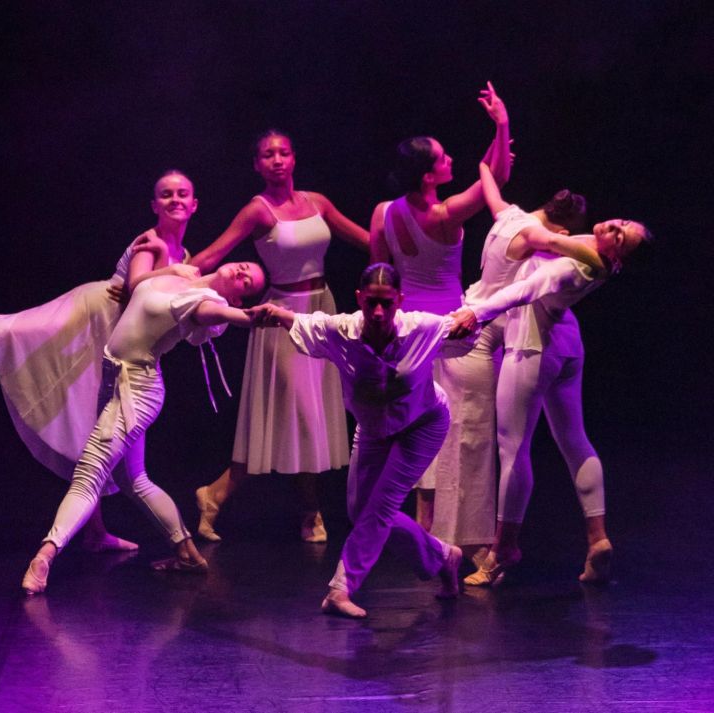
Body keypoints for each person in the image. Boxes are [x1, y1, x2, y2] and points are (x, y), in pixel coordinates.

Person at [0, 171, 198, 552]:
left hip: (118, 338)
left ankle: (95, 532)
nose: (175, 200)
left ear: (194, 204)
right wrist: (171, 266)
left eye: (182, 194)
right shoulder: (151, 242)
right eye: (166, 194)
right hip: (94, 317)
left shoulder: (185, 254)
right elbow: (138, 286)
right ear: (154, 204)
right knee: (9, 331)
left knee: (92, 426)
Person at [450, 165, 651, 586]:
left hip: (534, 343)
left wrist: (476, 312)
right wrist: (489, 163)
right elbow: (505, 208)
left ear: (617, 257)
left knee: (513, 448)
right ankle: (597, 538)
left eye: (620, 237)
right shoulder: (589, 248)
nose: (614, 227)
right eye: (620, 223)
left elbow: (526, 288)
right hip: (567, 342)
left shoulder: (578, 266)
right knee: (575, 439)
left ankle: (503, 550)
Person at [21, 260, 267, 595]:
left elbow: (221, 315)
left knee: (89, 473)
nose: (242, 273)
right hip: (114, 381)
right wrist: (167, 268)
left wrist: (252, 317)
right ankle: (187, 553)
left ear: (237, 299)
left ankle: (45, 555)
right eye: (244, 267)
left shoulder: (205, 303)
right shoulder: (183, 274)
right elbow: (136, 283)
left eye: (247, 283)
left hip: (136, 390)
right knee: (133, 479)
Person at [249, 263, 466, 618]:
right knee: (360, 510)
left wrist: (475, 313)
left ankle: (341, 588)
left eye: (386, 303)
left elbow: (467, 323)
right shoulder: (342, 331)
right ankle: (443, 556)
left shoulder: (421, 327)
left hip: (422, 425)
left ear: (399, 300)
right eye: (371, 303)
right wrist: (273, 313)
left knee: (381, 506)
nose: (378, 312)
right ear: (359, 299)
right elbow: (303, 322)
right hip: (374, 428)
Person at [187, 130, 369, 543]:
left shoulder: (317, 202)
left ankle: (218, 497)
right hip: (281, 318)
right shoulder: (258, 210)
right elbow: (211, 256)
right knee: (295, 416)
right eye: (267, 155)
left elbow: (369, 239)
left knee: (311, 417)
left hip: (322, 311)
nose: (276, 160)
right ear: (257, 164)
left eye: (283, 152)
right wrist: (166, 276)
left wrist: (417, 234)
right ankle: (305, 509)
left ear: (293, 158)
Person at [369, 82, 511, 545]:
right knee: (460, 434)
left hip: (408, 334)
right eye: (444, 158)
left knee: (419, 428)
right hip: (452, 332)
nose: (451, 160)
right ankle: (464, 535)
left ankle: (426, 523)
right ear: (429, 176)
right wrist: (501, 125)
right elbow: (495, 179)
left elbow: (378, 276)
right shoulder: (445, 214)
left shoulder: (383, 213)